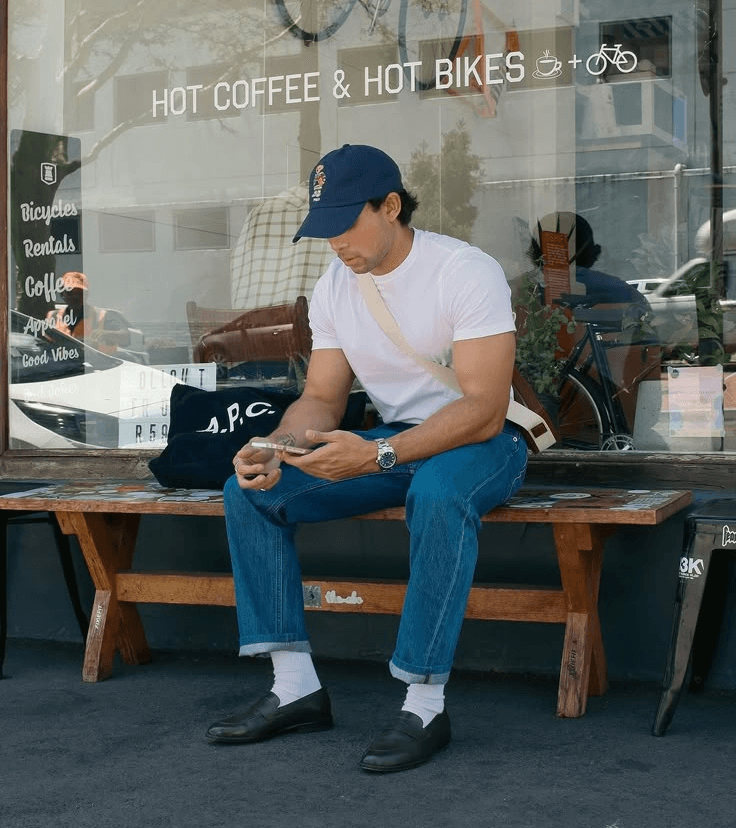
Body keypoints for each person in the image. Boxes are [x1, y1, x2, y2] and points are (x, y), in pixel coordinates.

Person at [206, 144, 528, 773]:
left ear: (391, 206)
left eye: (346, 224)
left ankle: (425, 704)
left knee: (437, 493)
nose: (336, 244)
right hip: (389, 443)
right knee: (249, 490)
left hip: (484, 442)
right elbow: (322, 396)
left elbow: (486, 408)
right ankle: (295, 688)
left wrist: (378, 454)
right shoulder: (334, 287)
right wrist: (278, 446)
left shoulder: (465, 271)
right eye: (323, 229)